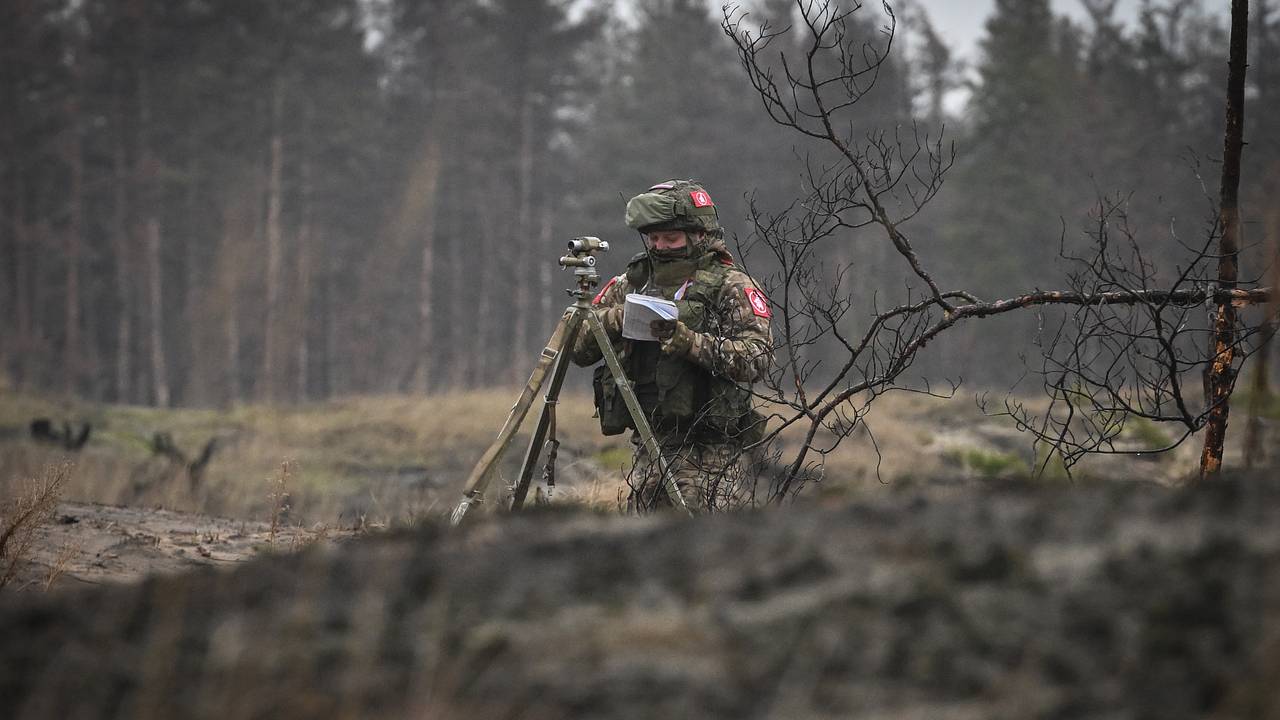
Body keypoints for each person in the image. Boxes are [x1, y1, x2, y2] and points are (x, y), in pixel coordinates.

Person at [570, 180, 773, 511]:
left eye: (671, 238)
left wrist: (689, 343)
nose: (660, 246)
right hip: (647, 445)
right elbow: (578, 350)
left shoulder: (731, 286)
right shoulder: (634, 283)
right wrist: (615, 320)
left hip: (709, 455)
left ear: (699, 236)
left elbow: (757, 357)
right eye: (654, 238)